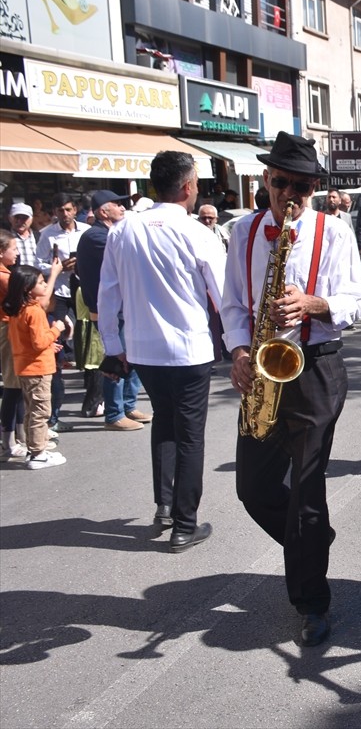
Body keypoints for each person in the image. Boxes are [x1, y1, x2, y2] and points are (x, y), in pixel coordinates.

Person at [222, 131, 361, 647]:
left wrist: (313, 304)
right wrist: (239, 350)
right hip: (262, 364)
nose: (290, 195)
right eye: (281, 183)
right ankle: (310, 545)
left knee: (306, 490)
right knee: (252, 488)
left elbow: (355, 301)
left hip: (317, 369)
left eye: (302, 187)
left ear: (316, 188)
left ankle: (311, 601)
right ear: (266, 180)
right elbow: (234, 303)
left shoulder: (336, 231)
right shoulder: (243, 231)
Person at [98, 151, 226, 551]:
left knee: (165, 425)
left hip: (142, 350)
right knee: (190, 435)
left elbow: (106, 293)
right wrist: (243, 343)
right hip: (188, 350)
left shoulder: (123, 230)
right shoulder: (197, 233)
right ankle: (184, 524)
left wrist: (113, 346)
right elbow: (224, 297)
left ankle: (166, 507)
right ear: (188, 187)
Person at [75, 190, 148, 431]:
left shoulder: (109, 233)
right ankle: (114, 413)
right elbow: (131, 253)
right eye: (116, 204)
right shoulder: (97, 236)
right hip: (109, 312)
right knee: (116, 360)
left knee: (133, 358)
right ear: (102, 211)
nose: (122, 208)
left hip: (124, 309)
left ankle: (128, 405)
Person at [3, 263, 66, 469]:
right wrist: (56, 329)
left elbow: (29, 341)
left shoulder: (17, 309)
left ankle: (35, 449)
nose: (44, 285)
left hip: (25, 366)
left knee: (32, 410)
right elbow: (39, 342)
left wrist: (49, 344)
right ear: (27, 288)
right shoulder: (34, 310)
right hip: (38, 368)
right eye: (40, 282)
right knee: (40, 411)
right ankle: (38, 453)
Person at [35, 192, 88, 432]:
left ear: (75, 209)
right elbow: (39, 263)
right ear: (55, 212)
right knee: (55, 344)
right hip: (59, 292)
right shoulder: (47, 233)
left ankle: (94, 400)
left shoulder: (86, 230)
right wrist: (57, 267)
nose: (64, 214)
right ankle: (53, 413)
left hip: (83, 289)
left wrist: (81, 264)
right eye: (60, 210)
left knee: (89, 342)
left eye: (68, 209)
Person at [0, 230, 28, 457]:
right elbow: (29, 296)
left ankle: (20, 435)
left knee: (17, 386)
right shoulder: (5, 278)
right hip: (7, 328)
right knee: (12, 386)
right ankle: (8, 441)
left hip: (10, 327)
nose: (17, 253)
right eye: (13, 249)